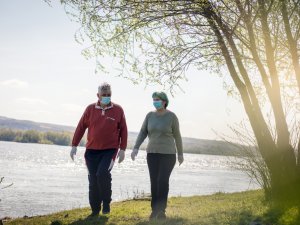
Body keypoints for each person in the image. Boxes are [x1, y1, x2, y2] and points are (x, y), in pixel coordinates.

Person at [70, 82, 128, 217]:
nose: (107, 97)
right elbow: (80, 127)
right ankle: (95, 210)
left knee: (102, 174)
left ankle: (106, 202)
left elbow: (124, 130)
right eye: (104, 95)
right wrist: (74, 145)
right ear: (98, 95)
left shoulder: (118, 110)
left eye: (109, 95)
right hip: (91, 151)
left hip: (110, 150)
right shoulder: (90, 109)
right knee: (93, 180)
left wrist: (123, 149)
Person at [131, 91, 184, 220]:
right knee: (154, 182)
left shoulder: (172, 117)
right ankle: (154, 210)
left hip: (168, 154)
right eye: (154, 99)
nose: (155, 102)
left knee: (162, 181)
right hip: (152, 154)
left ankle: (161, 211)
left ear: (164, 101)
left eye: (158, 99)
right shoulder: (149, 116)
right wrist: (136, 147)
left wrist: (180, 154)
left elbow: (177, 136)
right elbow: (143, 132)